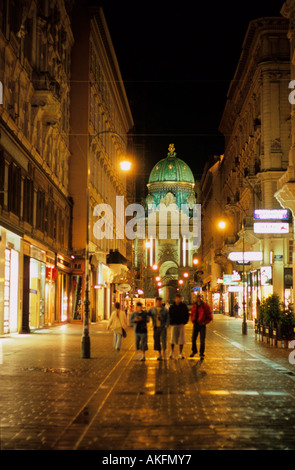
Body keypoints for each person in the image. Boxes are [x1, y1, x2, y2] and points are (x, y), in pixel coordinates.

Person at [190, 294, 213, 360]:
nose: (197, 299)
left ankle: (201, 353)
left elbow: (210, 316)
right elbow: (192, 314)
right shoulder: (194, 306)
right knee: (193, 339)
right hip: (195, 324)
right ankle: (194, 351)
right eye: (196, 298)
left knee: (202, 340)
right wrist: (192, 320)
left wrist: (204, 322)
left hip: (202, 325)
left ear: (201, 298)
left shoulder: (205, 306)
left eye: (198, 298)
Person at [168, 294, 189, 359]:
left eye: (179, 298)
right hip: (174, 324)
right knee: (172, 339)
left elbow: (187, 314)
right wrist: (170, 322)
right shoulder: (172, 307)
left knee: (181, 339)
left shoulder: (184, 306)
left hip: (181, 324)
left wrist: (185, 321)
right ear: (175, 299)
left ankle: (180, 353)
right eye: (177, 298)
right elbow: (169, 315)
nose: (178, 300)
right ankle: (172, 351)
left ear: (181, 299)